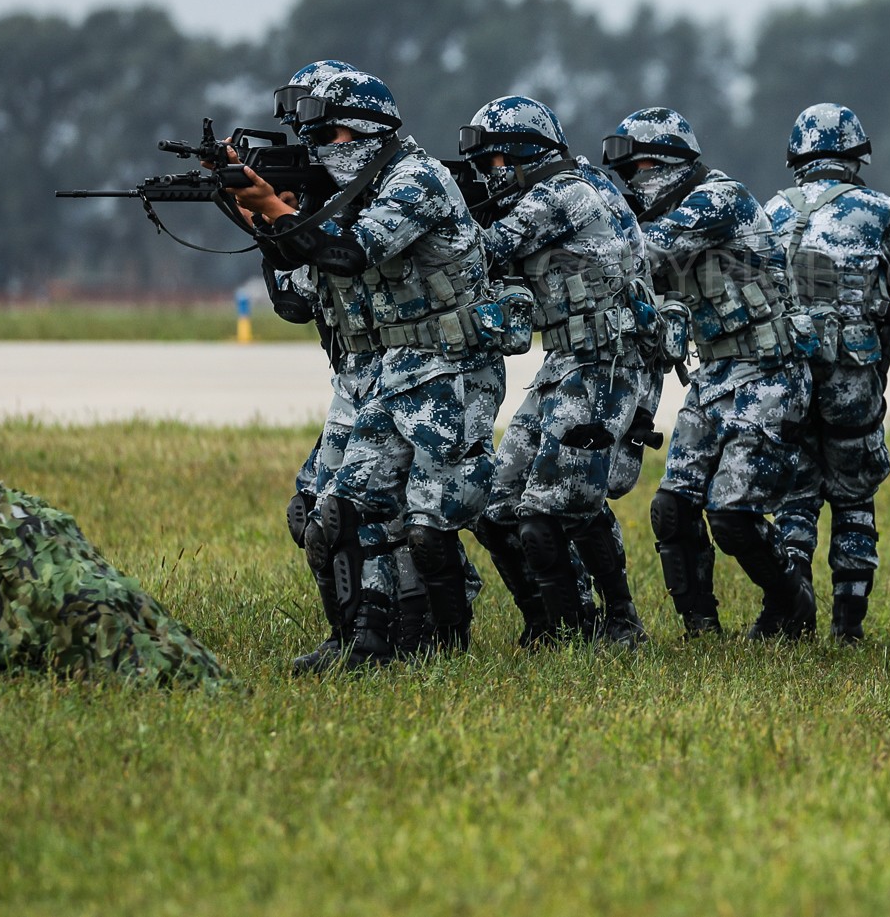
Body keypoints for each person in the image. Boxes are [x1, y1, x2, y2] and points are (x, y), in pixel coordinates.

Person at [232, 68, 504, 668]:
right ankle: (363, 641)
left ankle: (444, 642)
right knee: (335, 512)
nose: (318, 150)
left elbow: (351, 253)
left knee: (426, 523)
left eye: (330, 135)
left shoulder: (417, 180)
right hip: (387, 371)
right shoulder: (337, 197)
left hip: (449, 369)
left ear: (370, 129)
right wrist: (262, 220)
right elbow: (297, 300)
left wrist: (278, 209)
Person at [605, 107, 816, 639]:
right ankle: (701, 630)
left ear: (670, 163)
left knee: (732, 515)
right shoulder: (674, 206)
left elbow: (642, 249)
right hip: (716, 375)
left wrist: (589, 216)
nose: (633, 183)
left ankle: (792, 605)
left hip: (769, 373)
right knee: (672, 509)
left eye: (640, 169)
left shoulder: (719, 199)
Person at [462, 95, 652, 650]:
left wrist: (440, 208)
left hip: (602, 364)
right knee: (494, 506)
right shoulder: (573, 183)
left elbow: (479, 254)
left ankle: (604, 625)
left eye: (495, 164)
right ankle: (549, 621)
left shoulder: (561, 194)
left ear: (523, 155)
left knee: (551, 508)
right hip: (566, 362)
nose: (489, 177)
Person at [764, 103, 890, 643]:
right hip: (852, 376)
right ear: (857, 154)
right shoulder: (880, 209)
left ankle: (792, 615)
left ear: (797, 155)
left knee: (794, 494)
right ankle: (847, 626)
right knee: (853, 496)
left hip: (784, 377)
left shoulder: (771, 211)